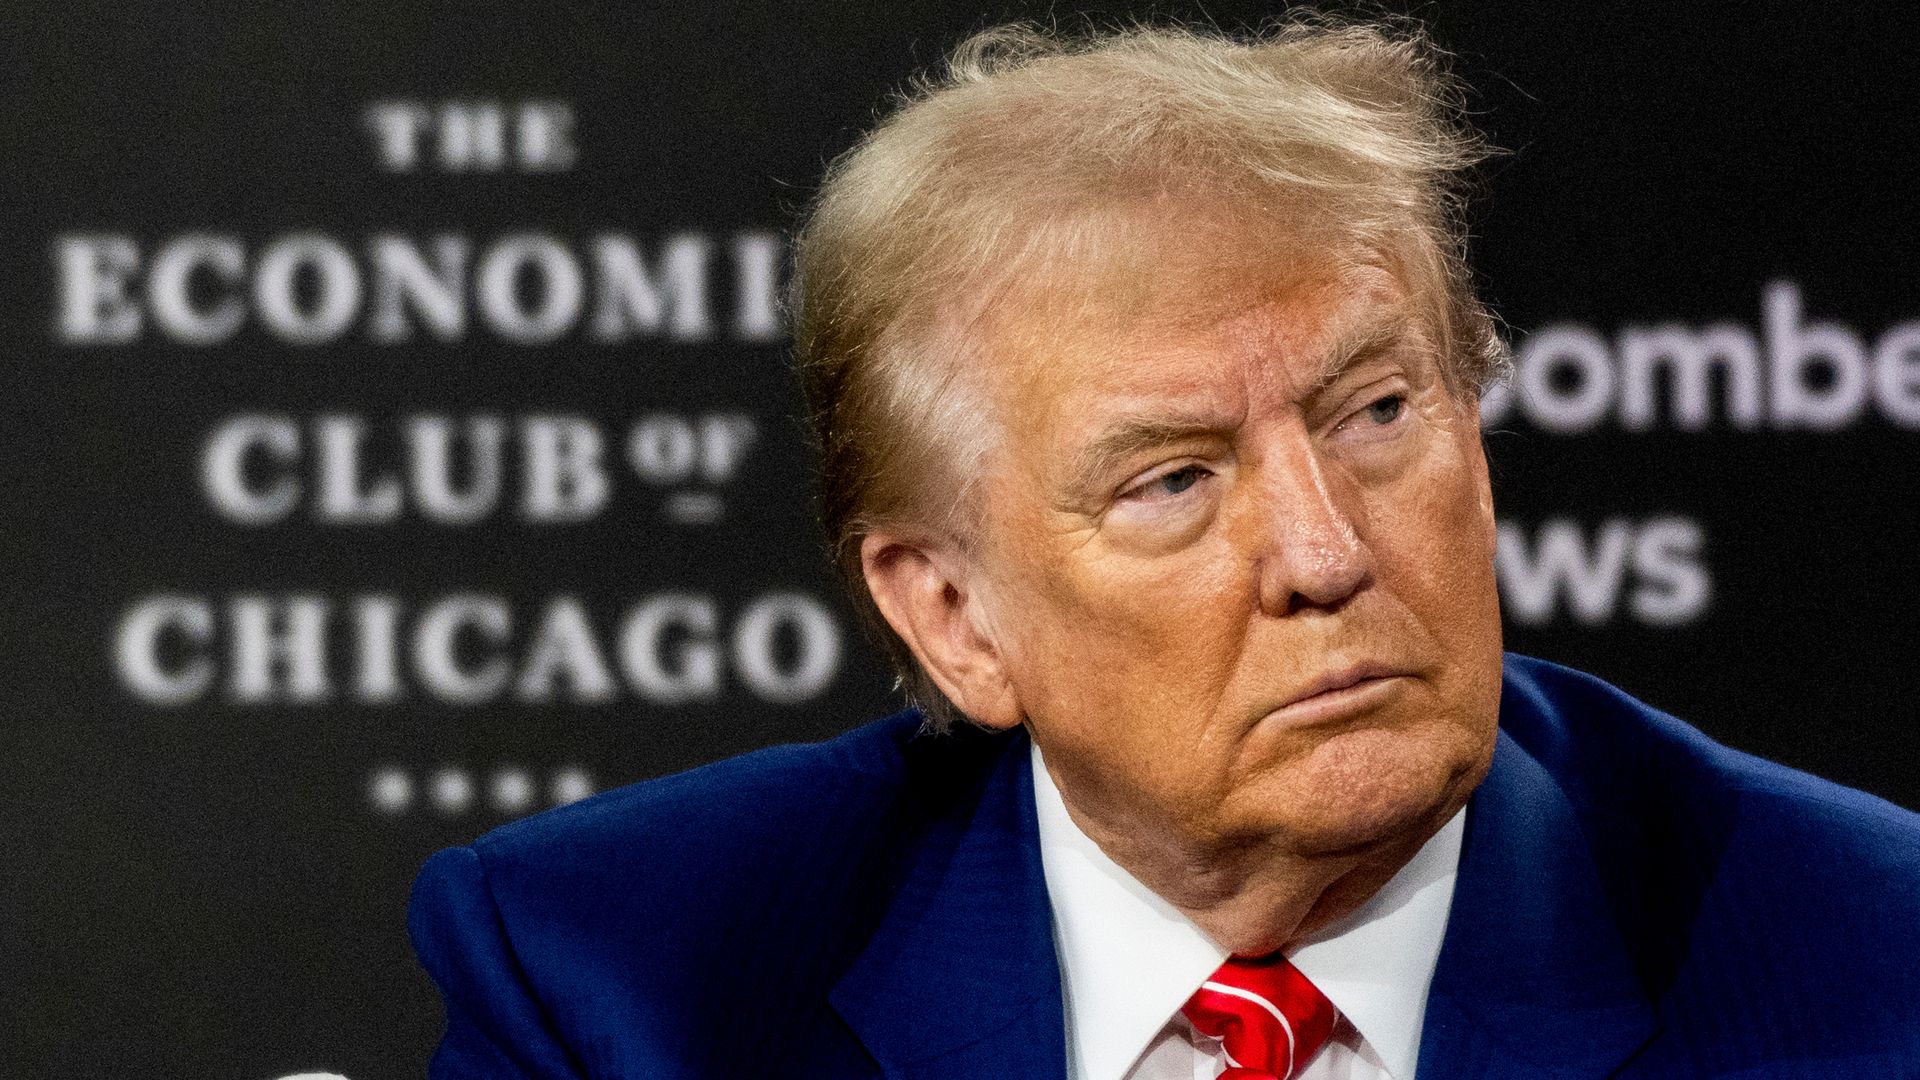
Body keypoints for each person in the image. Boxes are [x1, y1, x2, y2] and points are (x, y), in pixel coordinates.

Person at [407, 19, 1920, 1080]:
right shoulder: (629, 986)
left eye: (1379, 410)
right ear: (954, 618)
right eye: (1175, 481)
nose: (1326, 554)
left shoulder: (1867, 962)